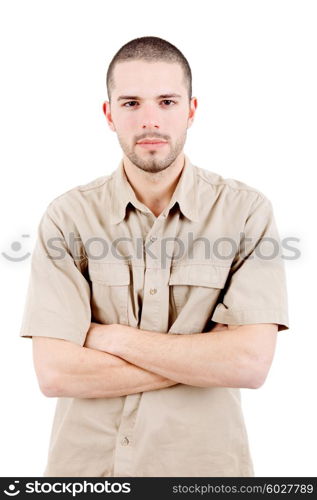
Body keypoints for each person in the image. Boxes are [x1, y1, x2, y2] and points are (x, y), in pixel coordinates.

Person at [19, 36, 289, 477]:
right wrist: (205, 358)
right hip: (87, 476)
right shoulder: (68, 217)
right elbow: (56, 373)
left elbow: (249, 363)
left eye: (166, 101)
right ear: (109, 114)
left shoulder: (246, 213)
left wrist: (109, 338)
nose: (150, 120)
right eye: (130, 103)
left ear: (191, 109)